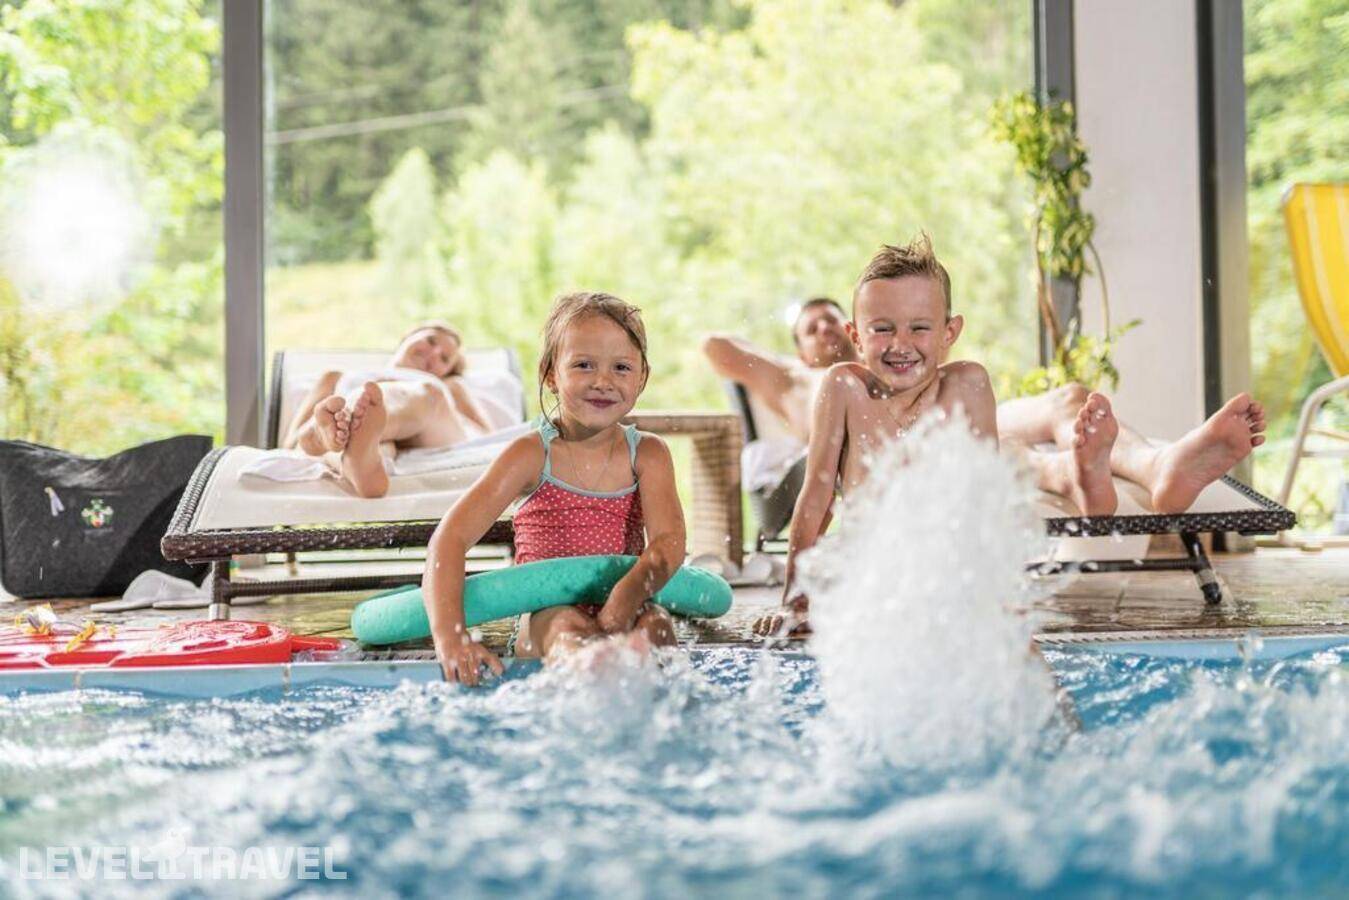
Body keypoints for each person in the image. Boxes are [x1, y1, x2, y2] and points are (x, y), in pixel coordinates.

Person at [754, 234, 1267, 636]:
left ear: (948, 332)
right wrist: (796, 601)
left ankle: (1119, 471)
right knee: (1020, 452)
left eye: (918, 328)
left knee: (1049, 420)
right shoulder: (829, 385)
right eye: (881, 329)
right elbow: (816, 496)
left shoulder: (963, 384)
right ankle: (1089, 474)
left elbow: (982, 504)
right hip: (899, 542)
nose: (899, 343)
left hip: (961, 459)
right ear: (856, 335)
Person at [421, 292, 686, 685]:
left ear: (642, 378)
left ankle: (650, 701)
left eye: (621, 368)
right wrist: (451, 638)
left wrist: (624, 598)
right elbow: (450, 538)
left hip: (628, 600)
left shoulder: (648, 454)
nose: (603, 382)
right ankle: (592, 678)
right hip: (547, 615)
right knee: (566, 629)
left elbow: (669, 543)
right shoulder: (531, 454)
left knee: (657, 625)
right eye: (583, 365)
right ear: (550, 374)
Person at [281, 322, 494, 498]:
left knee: (424, 394)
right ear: (406, 338)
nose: (434, 353)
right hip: (373, 436)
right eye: (430, 340)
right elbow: (290, 445)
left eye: (444, 359)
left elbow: (490, 440)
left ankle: (336, 433)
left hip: (430, 424)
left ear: (446, 371)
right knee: (368, 441)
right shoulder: (335, 377)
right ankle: (351, 459)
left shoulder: (449, 386)